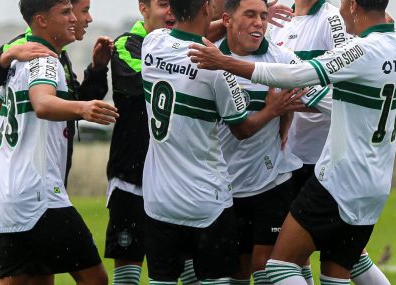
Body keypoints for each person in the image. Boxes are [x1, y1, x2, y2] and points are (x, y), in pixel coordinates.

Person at [188, 0, 396, 283]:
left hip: (338, 179)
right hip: (375, 185)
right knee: (339, 272)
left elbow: (297, 76)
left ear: (353, 6)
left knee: (279, 266)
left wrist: (225, 62)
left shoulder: (359, 49)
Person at [141, 0, 303, 283]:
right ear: (206, 7)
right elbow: (242, 129)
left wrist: (236, 23)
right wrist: (273, 110)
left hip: (158, 199)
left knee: (161, 279)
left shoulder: (152, 43)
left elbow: (191, 35)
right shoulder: (217, 71)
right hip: (207, 200)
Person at [268, 1, 396, 284]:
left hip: (323, 160)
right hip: (288, 154)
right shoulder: (278, 18)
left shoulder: (334, 19)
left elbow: (348, 84)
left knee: (288, 260)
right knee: (338, 258)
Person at [0, 0, 119, 284]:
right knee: (96, 279)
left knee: (36, 278)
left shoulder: (16, 61)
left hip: (6, 195)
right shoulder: (45, 59)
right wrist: (82, 109)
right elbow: (43, 105)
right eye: (66, 12)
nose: (74, 18)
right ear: (41, 21)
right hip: (40, 194)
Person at [213, 0, 327, 284]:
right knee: (236, 272)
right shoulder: (210, 60)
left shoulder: (284, 59)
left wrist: (292, 105)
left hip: (271, 182)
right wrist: (275, 111)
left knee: (267, 267)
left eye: (263, 16)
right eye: (249, 14)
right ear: (227, 19)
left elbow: (324, 98)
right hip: (224, 185)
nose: (258, 23)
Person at [105, 1, 202, 284]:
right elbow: (148, 83)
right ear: (143, 8)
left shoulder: (188, 47)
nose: (171, 11)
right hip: (132, 179)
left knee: (189, 269)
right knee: (128, 272)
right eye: (163, 4)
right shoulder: (127, 44)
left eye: (176, 4)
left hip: (176, 179)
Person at [0, 0, 112, 187]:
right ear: (44, 18)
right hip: (35, 180)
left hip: (22, 180)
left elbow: (70, 104)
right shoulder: (32, 51)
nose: (88, 18)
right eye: (82, 11)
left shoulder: (57, 53)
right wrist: (7, 55)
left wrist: (97, 70)